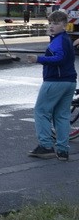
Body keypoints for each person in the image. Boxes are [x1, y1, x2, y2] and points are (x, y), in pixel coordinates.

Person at [26, 10, 76, 161]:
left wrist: (38, 59)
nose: (52, 26)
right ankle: (62, 150)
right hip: (69, 81)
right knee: (61, 115)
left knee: (41, 111)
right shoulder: (64, 39)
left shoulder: (59, 40)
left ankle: (46, 146)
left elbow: (59, 58)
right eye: (50, 23)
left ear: (65, 25)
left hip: (55, 81)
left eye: (56, 23)